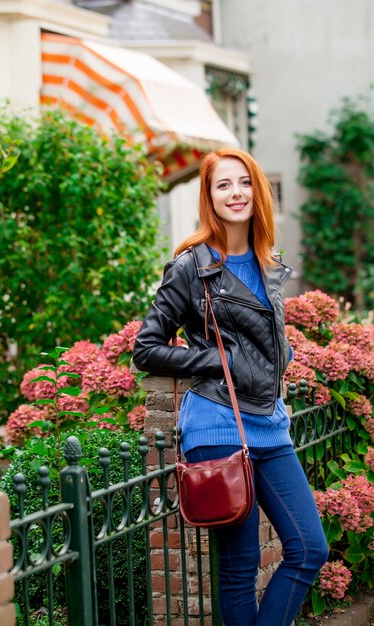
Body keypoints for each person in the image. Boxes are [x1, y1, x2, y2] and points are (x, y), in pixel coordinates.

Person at [132, 148, 328, 626]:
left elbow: (264, 336)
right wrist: (219, 360)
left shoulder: (268, 262)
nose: (235, 192)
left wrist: (281, 358)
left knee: (308, 549)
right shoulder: (191, 267)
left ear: (256, 190)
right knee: (240, 569)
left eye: (243, 182)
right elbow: (146, 348)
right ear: (210, 196)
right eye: (223, 185)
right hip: (217, 424)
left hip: (269, 423)